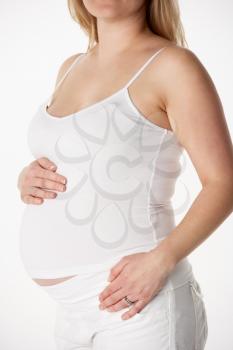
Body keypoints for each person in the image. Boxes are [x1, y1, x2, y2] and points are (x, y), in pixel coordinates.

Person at [17, 0, 233, 349]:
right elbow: (75, 157)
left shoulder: (173, 66)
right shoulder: (71, 66)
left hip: (140, 306)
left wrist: (161, 260)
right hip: (69, 312)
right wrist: (26, 179)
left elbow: (224, 183)